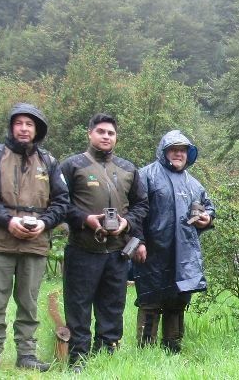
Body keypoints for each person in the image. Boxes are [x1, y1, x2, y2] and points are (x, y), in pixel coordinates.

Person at [0, 103, 69, 371]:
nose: (24, 128)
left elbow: (62, 201)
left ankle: (26, 355)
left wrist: (45, 223)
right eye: (19, 123)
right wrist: (7, 220)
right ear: (12, 127)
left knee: (28, 302)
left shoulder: (48, 162)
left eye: (29, 124)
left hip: (35, 243)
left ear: (37, 129)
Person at [61, 113, 149, 369]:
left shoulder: (128, 168)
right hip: (82, 248)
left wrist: (127, 223)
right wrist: (85, 219)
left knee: (112, 305)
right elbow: (59, 203)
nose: (106, 136)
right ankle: (78, 357)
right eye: (101, 131)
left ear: (116, 137)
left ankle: (107, 353)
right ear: (90, 133)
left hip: (117, 251)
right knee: (78, 305)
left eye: (110, 133)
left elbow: (142, 204)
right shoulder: (72, 165)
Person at [133, 130, 214, 353]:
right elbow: (135, 212)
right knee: (150, 299)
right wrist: (138, 241)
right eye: (173, 150)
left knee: (178, 300)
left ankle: (173, 348)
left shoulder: (195, 184)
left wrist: (207, 218)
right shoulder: (146, 175)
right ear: (164, 151)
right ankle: (145, 350)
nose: (178, 154)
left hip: (185, 252)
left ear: (188, 154)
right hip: (152, 250)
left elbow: (209, 209)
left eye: (182, 150)